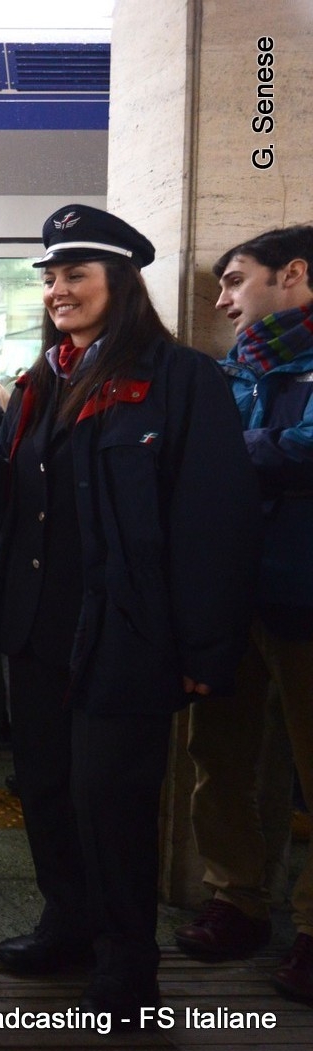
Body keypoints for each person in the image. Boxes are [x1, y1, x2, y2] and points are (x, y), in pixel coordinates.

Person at [0, 204, 259, 1022]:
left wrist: (204, 648)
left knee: (112, 799)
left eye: (75, 275)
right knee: (44, 788)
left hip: (127, 633)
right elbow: (37, 497)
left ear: (121, 281)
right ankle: (66, 924)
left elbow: (212, 521)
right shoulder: (42, 381)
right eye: (49, 278)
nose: (57, 290)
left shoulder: (180, 380)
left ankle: (128, 961)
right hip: (37, 625)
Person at [178, 224, 313, 1005]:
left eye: (235, 281)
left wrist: (241, 453)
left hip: (306, 595)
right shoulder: (230, 377)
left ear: (292, 273)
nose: (223, 301)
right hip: (229, 594)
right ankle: (236, 900)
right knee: (221, 759)